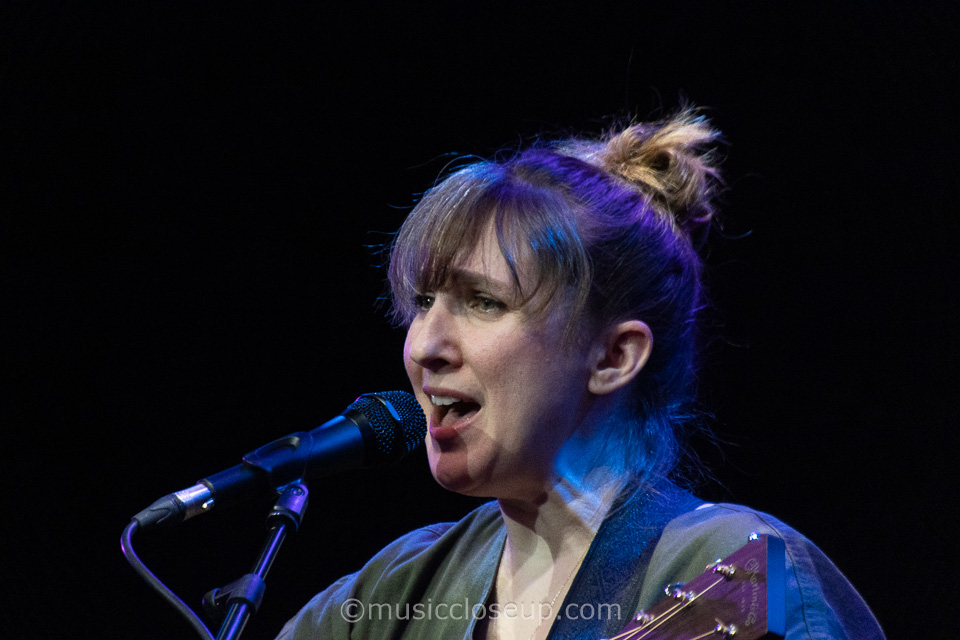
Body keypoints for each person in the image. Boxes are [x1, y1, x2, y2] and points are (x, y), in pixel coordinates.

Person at [276, 110, 884, 639]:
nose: (425, 345)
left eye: (484, 302)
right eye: (424, 302)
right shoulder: (394, 596)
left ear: (615, 357)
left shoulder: (734, 572)